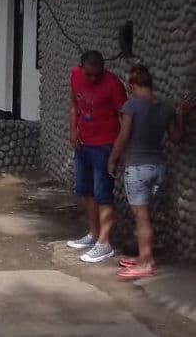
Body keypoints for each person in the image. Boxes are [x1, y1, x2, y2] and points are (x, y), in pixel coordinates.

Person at [109, 65, 187, 278]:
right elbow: (176, 138)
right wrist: (181, 115)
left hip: (138, 167)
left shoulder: (131, 105)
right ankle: (143, 256)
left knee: (141, 217)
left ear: (132, 84)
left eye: (128, 85)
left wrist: (112, 159)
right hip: (158, 168)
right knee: (145, 215)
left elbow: (123, 136)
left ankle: (146, 261)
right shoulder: (166, 107)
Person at [64, 50, 128, 264]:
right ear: (81, 67)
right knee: (86, 191)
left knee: (103, 194)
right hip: (83, 144)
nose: (92, 79)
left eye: (97, 75)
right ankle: (93, 234)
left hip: (105, 146)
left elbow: (124, 119)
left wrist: (119, 152)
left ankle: (104, 243)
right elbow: (74, 104)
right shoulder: (75, 75)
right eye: (89, 74)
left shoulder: (113, 85)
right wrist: (73, 130)